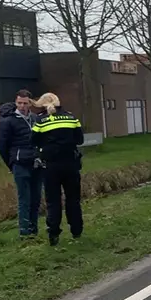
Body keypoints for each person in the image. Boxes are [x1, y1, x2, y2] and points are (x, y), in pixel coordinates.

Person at [30, 93, 84, 246]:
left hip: (51, 166)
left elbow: (33, 140)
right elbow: (80, 140)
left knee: (53, 202)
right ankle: (77, 231)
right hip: (71, 164)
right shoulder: (71, 118)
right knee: (73, 200)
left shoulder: (41, 121)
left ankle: (53, 235)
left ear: (43, 105)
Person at [0, 89, 43, 237]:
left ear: (30, 103)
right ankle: (24, 231)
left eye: (25, 103)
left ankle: (34, 229)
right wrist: (10, 163)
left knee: (36, 198)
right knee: (24, 198)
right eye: (19, 103)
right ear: (15, 103)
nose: (22, 106)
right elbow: (2, 145)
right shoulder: (8, 121)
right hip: (20, 163)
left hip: (36, 163)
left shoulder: (36, 118)